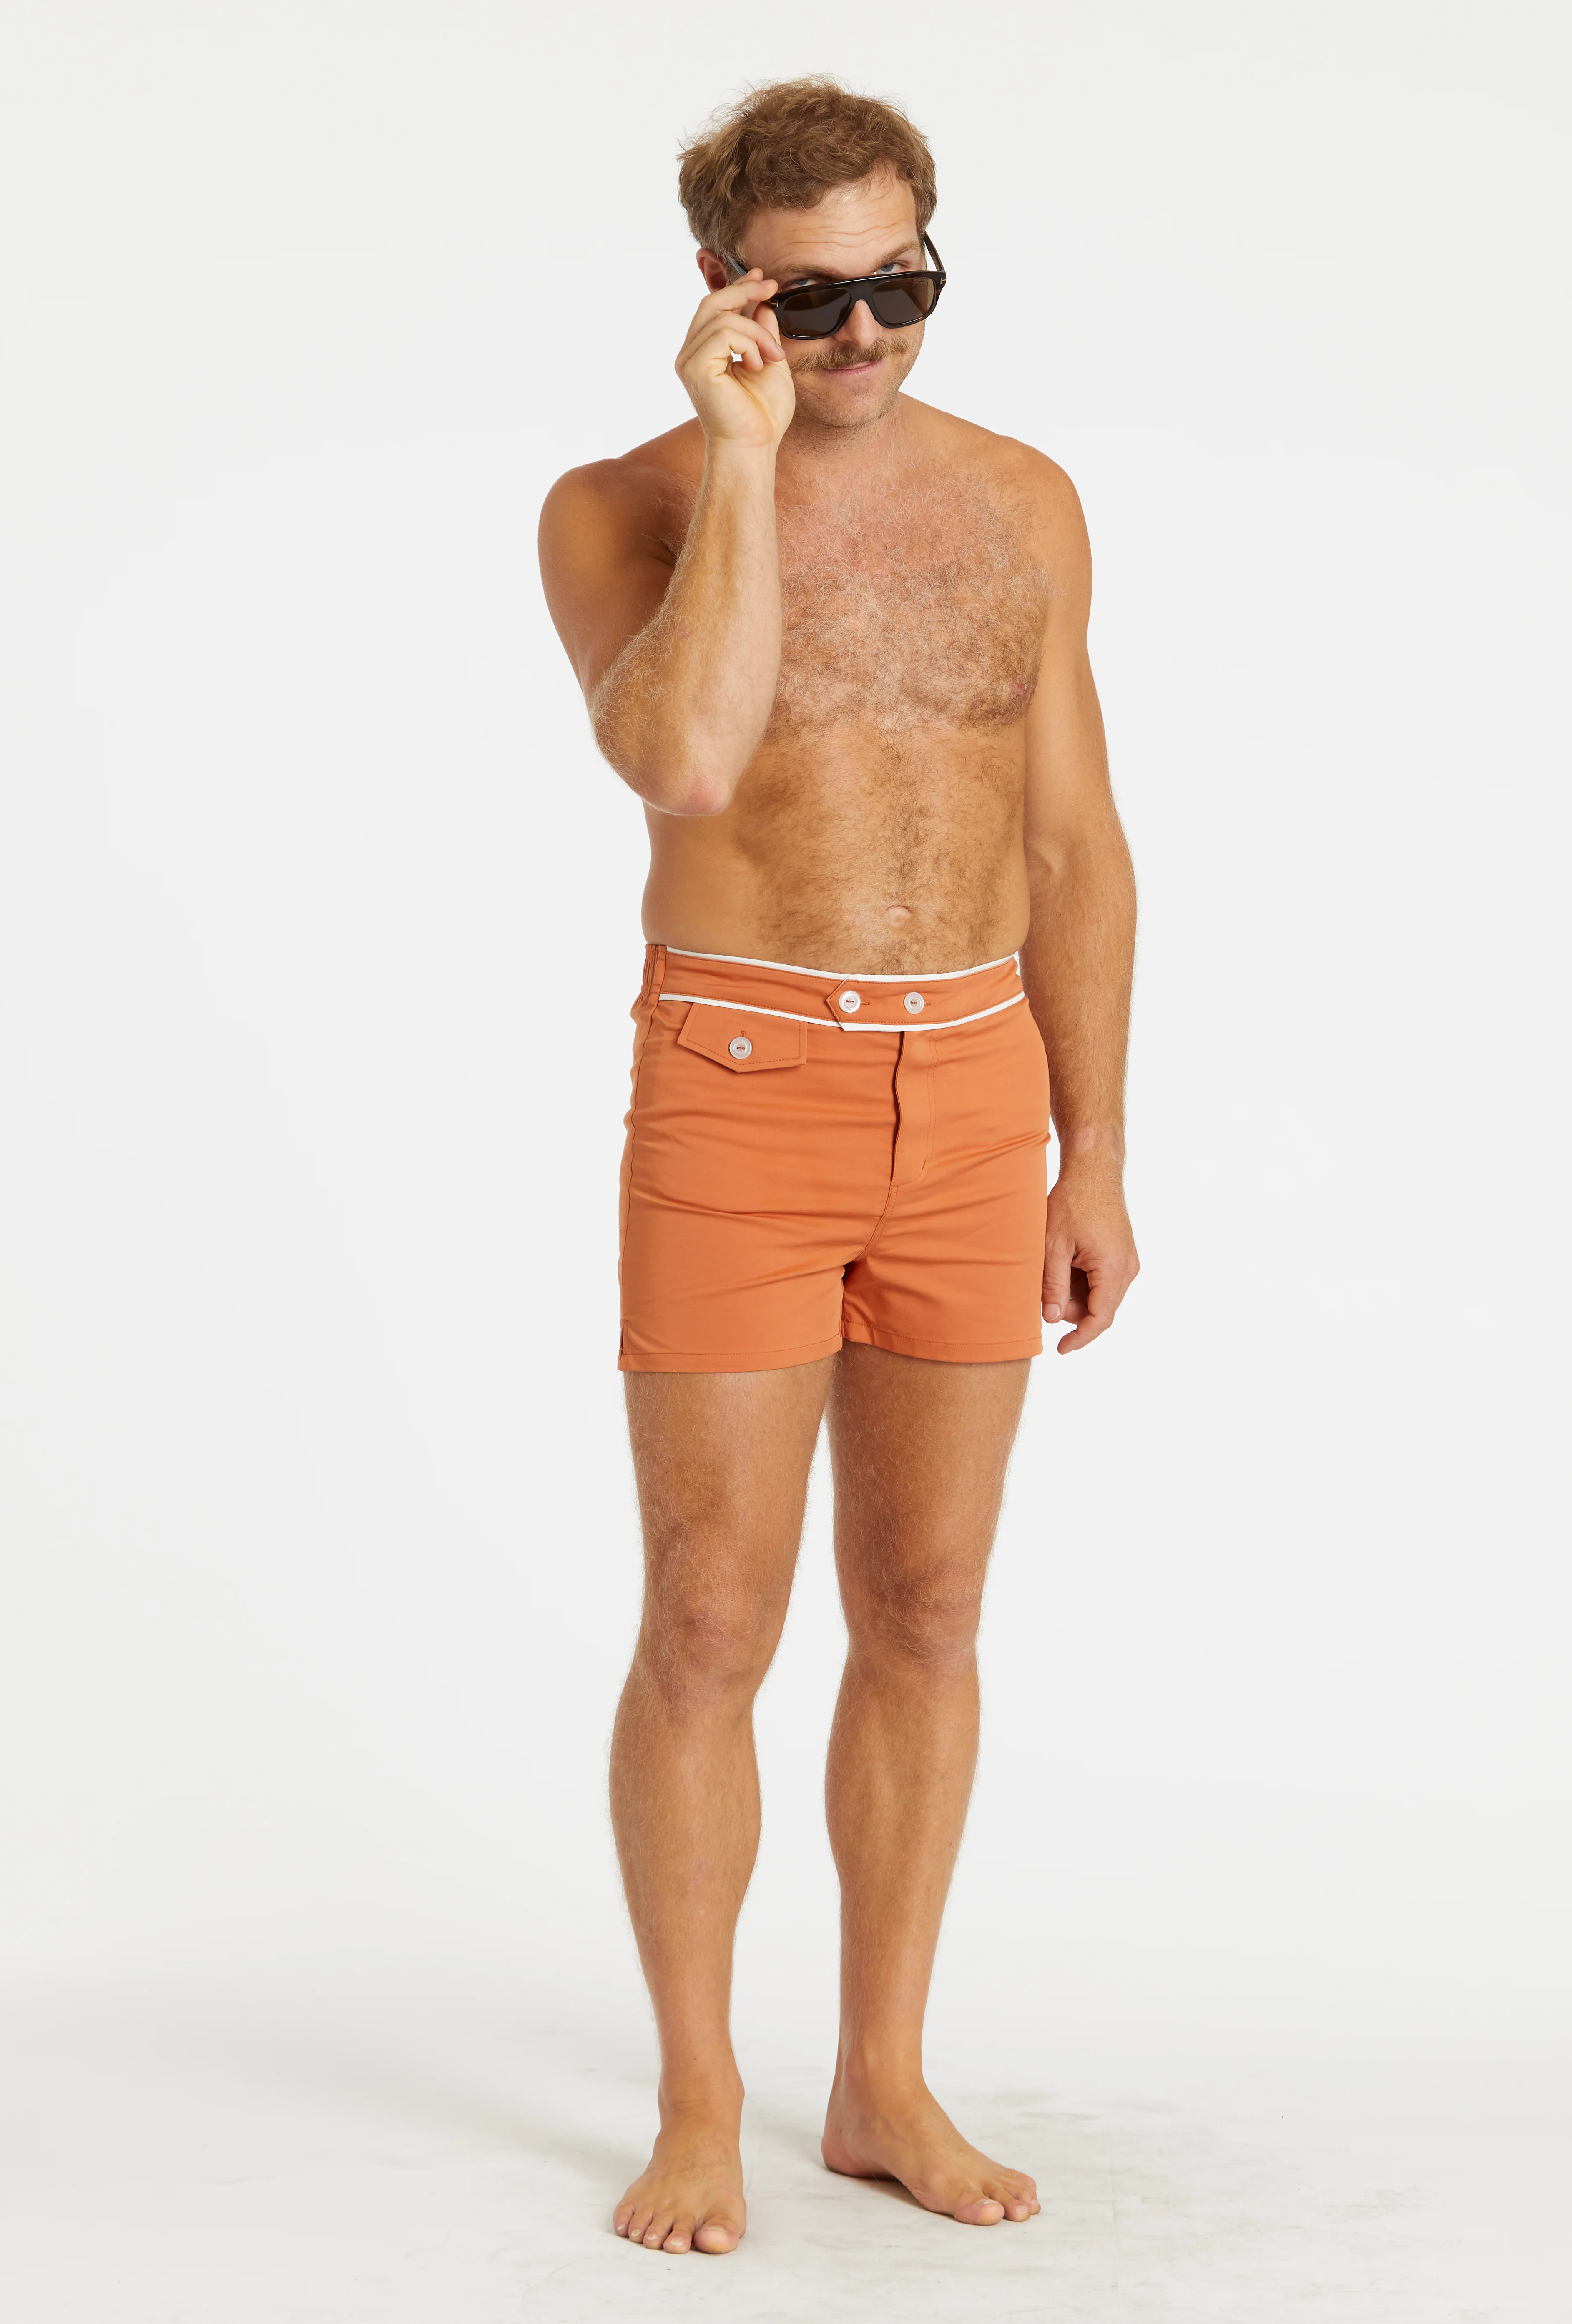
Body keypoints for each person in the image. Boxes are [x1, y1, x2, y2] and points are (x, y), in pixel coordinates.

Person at [537, 75, 1138, 2257]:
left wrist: (1094, 1150)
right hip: (741, 1084)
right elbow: (688, 758)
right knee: (712, 1616)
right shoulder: (618, 509)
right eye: (813, 299)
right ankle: (699, 2099)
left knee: (930, 1605)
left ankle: (880, 2079)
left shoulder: (1025, 500)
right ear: (724, 289)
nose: (865, 332)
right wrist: (741, 456)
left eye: (902, 283)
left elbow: (1071, 842)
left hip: (974, 1090)